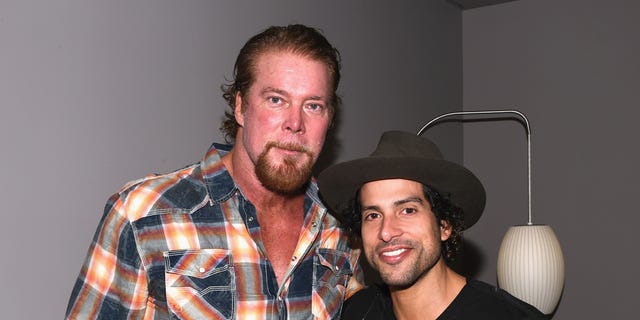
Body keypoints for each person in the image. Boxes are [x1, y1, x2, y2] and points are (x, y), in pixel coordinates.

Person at [65, 24, 364, 319]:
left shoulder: (339, 222)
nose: (295, 123)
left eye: (313, 106)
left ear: (329, 118)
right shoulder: (142, 214)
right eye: (276, 100)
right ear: (240, 107)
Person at [317, 131, 547, 320]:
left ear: (444, 225)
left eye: (408, 210)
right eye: (373, 215)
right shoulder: (358, 312)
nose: (386, 232)